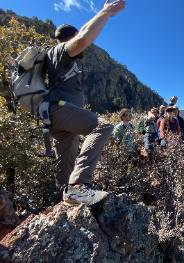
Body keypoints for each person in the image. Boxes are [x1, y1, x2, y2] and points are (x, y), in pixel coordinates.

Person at [46, 0, 126, 206]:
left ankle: (64, 207)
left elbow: (82, 34)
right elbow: (83, 38)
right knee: (103, 126)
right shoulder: (60, 52)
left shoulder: (65, 60)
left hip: (59, 117)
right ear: (67, 39)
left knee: (67, 164)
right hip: (58, 109)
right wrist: (106, 12)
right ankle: (79, 186)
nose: (86, 48)